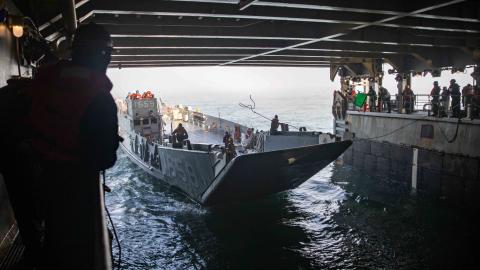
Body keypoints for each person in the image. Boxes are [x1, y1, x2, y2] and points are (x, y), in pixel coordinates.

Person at [27, 23, 119, 269]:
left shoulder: (46, 81)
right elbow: (104, 159)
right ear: (103, 56)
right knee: (78, 251)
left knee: (52, 241)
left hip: (38, 178)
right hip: (75, 189)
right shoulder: (99, 99)